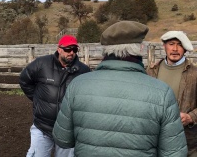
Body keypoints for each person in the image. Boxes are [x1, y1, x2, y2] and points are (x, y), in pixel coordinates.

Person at [52, 21, 187, 156]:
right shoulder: (162, 92)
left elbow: (62, 139)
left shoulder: (77, 85)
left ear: (105, 49)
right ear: (140, 49)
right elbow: (174, 153)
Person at [19, 35, 91, 157]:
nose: (71, 52)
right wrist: (37, 99)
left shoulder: (83, 71)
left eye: (74, 49)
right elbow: (24, 80)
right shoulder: (41, 64)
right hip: (42, 126)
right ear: (59, 49)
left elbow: (87, 96)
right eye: (68, 49)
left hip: (67, 129)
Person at [146, 31, 197, 157]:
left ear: (185, 49)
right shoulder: (150, 72)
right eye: (171, 44)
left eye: (180, 45)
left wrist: (190, 117)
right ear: (164, 46)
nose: (175, 49)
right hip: (154, 141)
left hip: (187, 142)